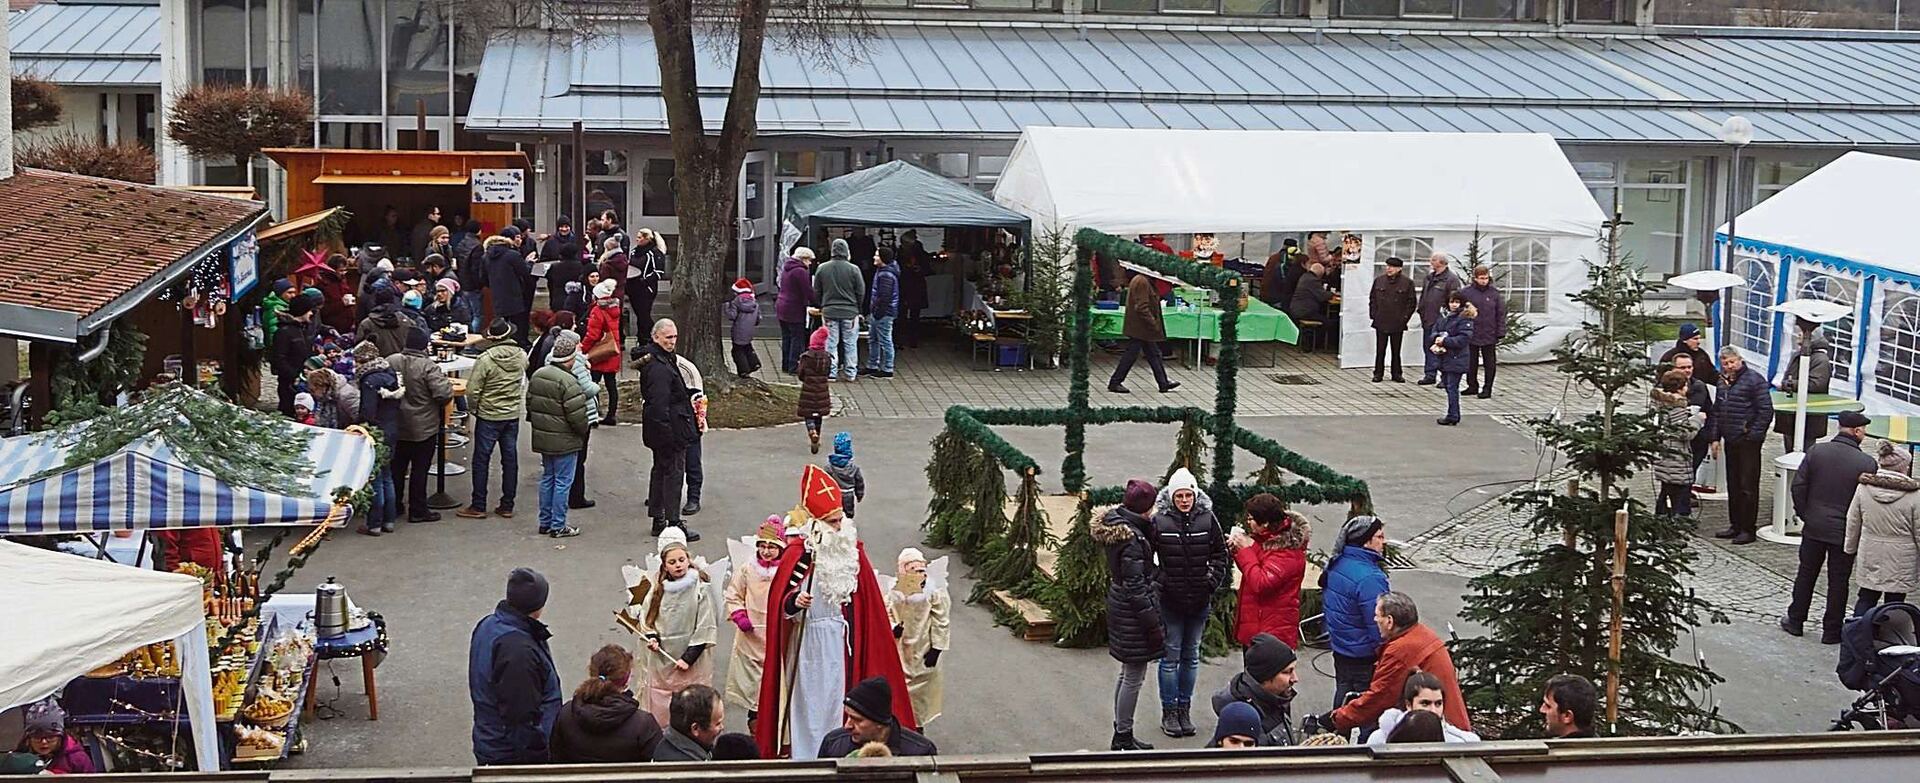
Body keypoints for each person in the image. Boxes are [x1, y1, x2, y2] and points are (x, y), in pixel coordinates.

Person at [754, 465, 916, 759]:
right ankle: (805, 758)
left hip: (842, 647)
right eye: (833, 522)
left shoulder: (852, 552)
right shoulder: (798, 554)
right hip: (807, 646)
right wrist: (793, 603)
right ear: (816, 524)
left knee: (838, 704)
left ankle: (837, 756)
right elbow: (780, 604)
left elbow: (868, 607)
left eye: (840, 519)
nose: (840, 527)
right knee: (808, 706)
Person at [1315, 591, 1471, 737]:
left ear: (1389, 621)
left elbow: (1379, 698)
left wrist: (1337, 718)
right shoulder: (1421, 634)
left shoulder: (1401, 650)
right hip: (1448, 724)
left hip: (1437, 732)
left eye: (1377, 616)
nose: (1375, 620)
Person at [1784, 411, 1877, 644]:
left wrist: (1806, 514)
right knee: (1839, 581)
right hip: (1844, 532)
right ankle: (1831, 631)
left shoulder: (1816, 451)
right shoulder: (1866, 463)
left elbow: (1799, 486)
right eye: (1863, 430)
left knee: (1806, 573)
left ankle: (1795, 621)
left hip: (1814, 526)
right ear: (1856, 431)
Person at [1150, 467, 1230, 738]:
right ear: (1172, 497)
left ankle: (1184, 708)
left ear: (1195, 495)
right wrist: (1162, 582)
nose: (1184, 500)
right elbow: (1148, 559)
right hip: (1170, 601)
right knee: (1170, 656)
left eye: (1188, 495)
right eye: (1179, 495)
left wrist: (1209, 582)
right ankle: (1169, 711)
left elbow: (1220, 555)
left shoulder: (1208, 519)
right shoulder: (1159, 521)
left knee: (1192, 656)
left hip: (1198, 600)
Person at [1093, 479, 1164, 751]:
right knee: (1134, 675)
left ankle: (1122, 730)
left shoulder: (1122, 527)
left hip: (1121, 605)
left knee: (1127, 673)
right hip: (1132, 612)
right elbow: (1136, 587)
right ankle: (1123, 735)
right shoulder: (1133, 539)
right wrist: (1153, 626)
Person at [627, 527, 720, 726]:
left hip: (690, 659)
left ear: (688, 559)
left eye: (681, 560)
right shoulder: (655, 587)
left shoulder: (699, 589)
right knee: (662, 702)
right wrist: (652, 637)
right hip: (663, 658)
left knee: (692, 701)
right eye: (672, 562)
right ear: (664, 565)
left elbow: (705, 625)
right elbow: (647, 618)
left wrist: (688, 657)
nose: (678, 565)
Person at [469, 568, 562, 765]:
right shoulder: (518, 650)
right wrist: (538, 760)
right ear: (538, 604)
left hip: (491, 740)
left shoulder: (489, 624)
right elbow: (521, 716)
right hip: (510, 754)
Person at [635, 318, 701, 539]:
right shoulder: (658, 367)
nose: (673, 341)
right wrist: (668, 436)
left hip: (666, 427)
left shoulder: (660, 359)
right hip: (669, 429)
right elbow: (658, 405)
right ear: (656, 337)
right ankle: (672, 523)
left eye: (674, 337)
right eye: (668, 338)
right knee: (672, 475)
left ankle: (659, 518)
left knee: (661, 472)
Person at [548, 645, 663, 763]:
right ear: (626, 679)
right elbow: (660, 764)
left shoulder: (567, 713)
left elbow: (556, 756)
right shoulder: (643, 723)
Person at [458, 319, 525, 521]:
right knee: (510, 460)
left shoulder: (486, 359)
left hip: (489, 415)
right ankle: (507, 505)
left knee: (481, 460)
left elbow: (472, 390)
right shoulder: (521, 355)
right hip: (511, 414)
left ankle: (479, 505)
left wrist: (474, 409)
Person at [1321, 515, 1390, 710]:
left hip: (1341, 647)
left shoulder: (1338, 563)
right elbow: (1378, 623)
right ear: (1366, 541)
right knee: (1366, 706)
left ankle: (1337, 735)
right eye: (1380, 536)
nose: (1383, 541)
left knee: (1343, 694)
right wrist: (1384, 652)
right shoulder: (1370, 578)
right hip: (1364, 654)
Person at [724, 516, 785, 733]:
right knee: (755, 695)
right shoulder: (747, 570)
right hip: (751, 640)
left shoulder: (786, 572)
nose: (767, 551)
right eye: (763, 546)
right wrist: (740, 616)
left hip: (778, 640)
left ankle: (775, 734)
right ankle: (755, 732)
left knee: (777, 692)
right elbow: (733, 595)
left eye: (772, 547)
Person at [1845, 442, 1919, 615]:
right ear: (1902, 467)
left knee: (1866, 596)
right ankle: (1888, 637)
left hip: (1870, 550)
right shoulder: (1915, 494)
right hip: (1902, 556)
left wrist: (1850, 548)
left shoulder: (1864, 488)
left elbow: (1853, 520)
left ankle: (1857, 635)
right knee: (1895, 601)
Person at [527, 331, 589, 538]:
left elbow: (530, 404)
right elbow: (578, 417)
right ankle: (558, 525)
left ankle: (544, 521)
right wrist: (582, 433)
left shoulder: (538, 375)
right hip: (565, 440)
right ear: (570, 358)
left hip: (543, 437)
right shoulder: (569, 382)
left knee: (548, 479)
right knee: (563, 482)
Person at [388, 328, 452, 524]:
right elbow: (443, 394)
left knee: (396, 469)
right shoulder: (428, 367)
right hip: (423, 427)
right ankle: (417, 510)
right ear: (424, 345)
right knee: (419, 470)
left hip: (397, 424)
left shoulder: (391, 361)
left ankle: (395, 505)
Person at [1232, 494, 1310, 648]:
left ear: (1265, 523)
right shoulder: (1266, 539)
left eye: (1251, 519)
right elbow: (1253, 570)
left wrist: (1246, 551)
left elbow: (1261, 583)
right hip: (1258, 627)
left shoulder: (1287, 551)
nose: (1248, 523)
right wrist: (1237, 551)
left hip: (1273, 634)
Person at [1718, 346, 1776, 544]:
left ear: (1740, 360)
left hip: (1748, 441)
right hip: (1731, 438)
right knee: (1733, 484)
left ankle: (1748, 528)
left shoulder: (1754, 380)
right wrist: (1715, 436)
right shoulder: (1723, 382)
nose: (1729, 366)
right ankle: (1735, 524)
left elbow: (1766, 410)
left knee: (1747, 485)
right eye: (1725, 363)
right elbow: (1719, 410)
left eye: (1732, 362)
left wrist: (1753, 435)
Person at [886, 548, 950, 726]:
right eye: (914, 569)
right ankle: (898, 724)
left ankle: (917, 727)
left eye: (922, 569)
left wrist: (936, 648)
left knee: (919, 697)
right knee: (897, 690)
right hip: (899, 648)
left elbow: (941, 620)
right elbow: (887, 610)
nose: (919, 573)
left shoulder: (934, 591)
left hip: (922, 648)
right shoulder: (894, 589)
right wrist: (892, 628)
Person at [1207, 632, 1299, 746]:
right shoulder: (1243, 716)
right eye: (1287, 672)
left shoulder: (1277, 698)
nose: (1295, 679)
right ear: (1265, 677)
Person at [817, 677, 937, 758]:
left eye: (857, 720)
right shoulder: (833, 743)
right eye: (848, 716)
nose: (847, 726)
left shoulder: (921, 751)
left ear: (880, 722)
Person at [354, 341, 404, 535]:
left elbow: (367, 411)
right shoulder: (390, 375)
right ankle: (389, 521)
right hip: (392, 428)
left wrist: (359, 427)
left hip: (376, 431)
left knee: (374, 477)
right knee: (387, 476)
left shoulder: (369, 381)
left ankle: (374, 523)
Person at [1109, 270, 1179, 394]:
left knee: (1154, 354)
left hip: (1141, 327)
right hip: (1141, 327)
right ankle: (1115, 382)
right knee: (1132, 355)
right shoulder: (1142, 281)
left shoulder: (1143, 280)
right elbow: (1142, 307)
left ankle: (1163, 382)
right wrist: (1153, 323)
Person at [1365, 671, 1481, 745]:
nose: (1433, 711)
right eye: (1425, 704)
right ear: (1408, 705)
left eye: (1438, 704)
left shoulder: (1459, 742)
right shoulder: (1378, 739)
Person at [1651, 370, 1706, 518]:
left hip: (1664, 457)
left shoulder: (1659, 402)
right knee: (1679, 499)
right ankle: (1676, 530)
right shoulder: (1677, 406)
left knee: (1666, 493)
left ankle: (1662, 523)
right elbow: (1684, 433)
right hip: (1677, 459)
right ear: (1682, 387)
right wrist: (1697, 420)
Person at [1776, 318, 1835, 452]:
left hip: (1808, 415)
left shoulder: (1820, 360)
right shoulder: (1800, 354)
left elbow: (1815, 384)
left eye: (1801, 332)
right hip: (1793, 412)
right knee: (1790, 449)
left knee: (1804, 452)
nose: (1798, 334)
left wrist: (1788, 385)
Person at [813, 238, 865, 382]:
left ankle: (831, 372)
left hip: (829, 311)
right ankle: (850, 372)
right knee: (850, 343)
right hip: (850, 311)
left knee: (830, 342)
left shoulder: (822, 268)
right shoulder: (854, 269)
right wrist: (859, 308)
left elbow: (816, 290)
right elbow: (860, 291)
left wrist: (821, 305)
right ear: (847, 251)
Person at [1670, 351, 1720, 486]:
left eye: (1689, 367)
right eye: (1682, 367)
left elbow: (1711, 412)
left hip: (1699, 440)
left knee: (1691, 474)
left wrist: (1712, 437)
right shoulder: (1666, 389)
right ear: (1674, 369)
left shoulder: (1700, 386)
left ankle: (1687, 493)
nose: (1687, 370)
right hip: (1677, 442)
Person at [1415, 252, 1463, 386]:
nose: (1431, 261)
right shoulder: (1429, 277)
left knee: (1442, 348)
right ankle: (1430, 374)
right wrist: (1421, 310)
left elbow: (1454, 299)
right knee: (1429, 347)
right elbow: (1424, 295)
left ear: (1441, 262)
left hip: (1442, 320)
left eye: (1433, 259)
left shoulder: (1451, 279)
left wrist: (1449, 316)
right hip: (1427, 318)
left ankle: (1445, 377)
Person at [1459, 265, 1505, 398]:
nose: (1484, 281)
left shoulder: (1494, 293)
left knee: (1489, 362)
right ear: (1475, 278)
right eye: (1481, 278)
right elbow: (1460, 310)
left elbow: (1500, 313)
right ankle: (1472, 385)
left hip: (1489, 332)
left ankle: (1487, 387)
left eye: (1486, 278)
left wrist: (1500, 330)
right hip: (1472, 331)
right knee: (1470, 361)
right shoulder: (1466, 293)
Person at [1369, 257, 1417, 383]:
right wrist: (1374, 314)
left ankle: (1396, 373)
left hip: (1397, 321)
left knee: (1396, 350)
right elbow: (1372, 299)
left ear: (1399, 269)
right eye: (1387, 266)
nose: (1388, 269)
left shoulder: (1407, 283)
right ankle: (1378, 373)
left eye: (1392, 267)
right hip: (1381, 319)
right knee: (1380, 349)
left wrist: (1404, 318)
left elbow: (1411, 303)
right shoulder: (1379, 281)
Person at [1430, 293, 1475, 426]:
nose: (1454, 304)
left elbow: (1464, 339)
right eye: (1451, 302)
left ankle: (1453, 415)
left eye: (1457, 302)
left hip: (1457, 357)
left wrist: (1445, 341)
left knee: (1452, 387)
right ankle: (1452, 414)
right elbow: (1434, 331)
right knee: (1449, 386)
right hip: (1445, 357)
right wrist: (1437, 337)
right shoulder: (1445, 316)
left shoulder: (1464, 318)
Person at [13, 700, 93, 774]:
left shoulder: (77, 759)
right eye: (37, 737)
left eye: (50, 737)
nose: (44, 742)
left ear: (60, 737)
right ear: (29, 738)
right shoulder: (18, 757)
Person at [485, 227, 535, 346]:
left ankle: (502, 346)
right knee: (517, 327)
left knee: (502, 325)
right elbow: (525, 274)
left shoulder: (487, 256)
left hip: (498, 296)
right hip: (515, 296)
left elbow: (483, 277)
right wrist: (529, 263)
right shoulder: (513, 255)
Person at [584, 279, 623, 427]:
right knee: (611, 384)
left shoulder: (597, 310)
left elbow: (593, 335)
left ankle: (593, 415)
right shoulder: (614, 308)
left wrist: (583, 348)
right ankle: (611, 415)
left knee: (592, 384)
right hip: (612, 350)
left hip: (600, 352)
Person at [271, 294, 317, 417]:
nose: (311, 314)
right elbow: (278, 359)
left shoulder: (304, 328)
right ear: (302, 311)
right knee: (289, 412)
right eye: (309, 310)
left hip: (304, 379)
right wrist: (295, 375)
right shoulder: (284, 332)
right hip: (290, 383)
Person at [673, 353, 707, 517]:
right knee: (664, 461)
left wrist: (699, 424)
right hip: (668, 421)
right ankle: (662, 494)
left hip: (688, 422)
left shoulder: (686, 369)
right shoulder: (653, 366)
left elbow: (699, 400)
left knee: (692, 461)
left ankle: (694, 497)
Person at [655, 684, 724, 762]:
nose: (722, 727)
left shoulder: (670, 742)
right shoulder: (687, 769)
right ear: (695, 728)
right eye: (718, 724)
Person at [863, 247, 900, 378]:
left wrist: (878, 312)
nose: (874, 257)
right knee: (873, 339)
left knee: (885, 340)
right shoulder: (882, 271)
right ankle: (872, 365)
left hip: (883, 313)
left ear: (883, 258)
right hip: (879, 312)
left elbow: (885, 297)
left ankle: (887, 369)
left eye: (877, 255)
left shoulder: (886, 275)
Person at [776, 248, 815, 373]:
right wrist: (818, 303)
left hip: (782, 306)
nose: (810, 263)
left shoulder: (787, 268)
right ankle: (793, 366)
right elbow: (807, 290)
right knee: (796, 338)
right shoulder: (800, 271)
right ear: (803, 259)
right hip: (794, 308)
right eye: (809, 260)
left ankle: (785, 364)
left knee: (786, 337)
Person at [797, 326, 833, 454]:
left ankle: (811, 431)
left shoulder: (806, 358)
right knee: (819, 415)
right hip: (822, 390)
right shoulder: (827, 358)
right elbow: (828, 372)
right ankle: (817, 433)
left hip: (808, 390)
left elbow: (800, 373)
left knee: (809, 414)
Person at [629, 228, 666, 339]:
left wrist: (644, 281)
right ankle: (643, 337)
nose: (637, 239)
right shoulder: (634, 251)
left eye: (640, 237)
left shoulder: (654, 253)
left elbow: (658, 272)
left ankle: (648, 337)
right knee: (639, 314)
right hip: (633, 288)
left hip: (646, 289)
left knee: (644, 314)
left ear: (647, 239)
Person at [357, 290, 417, 358]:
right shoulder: (408, 321)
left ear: (375, 301)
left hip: (377, 365)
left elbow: (359, 350)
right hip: (403, 364)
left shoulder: (367, 324)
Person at [724, 277, 763, 378]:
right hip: (749, 331)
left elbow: (732, 316)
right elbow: (758, 318)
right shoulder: (754, 302)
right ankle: (754, 363)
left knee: (737, 351)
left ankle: (743, 370)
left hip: (738, 330)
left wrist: (727, 307)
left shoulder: (736, 302)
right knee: (747, 347)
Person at [1540, 674, 1598, 738]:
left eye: (1548, 706)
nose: (1542, 710)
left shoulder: (1562, 747)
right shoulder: (1599, 746)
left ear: (1567, 716)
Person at [1659, 323, 1716, 388]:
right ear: (1684, 340)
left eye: (1699, 338)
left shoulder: (1701, 355)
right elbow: (1661, 381)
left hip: (1698, 393)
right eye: (1695, 339)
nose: (1698, 342)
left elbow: (1712, 375)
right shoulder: (1669, 357)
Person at [825, 432, 865, 519]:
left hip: (834, 494)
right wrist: (859, 494)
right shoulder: (854, 468)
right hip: (848, 494)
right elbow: (859, 482)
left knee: (835, 512)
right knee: (848, 513)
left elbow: (824, 480)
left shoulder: (829, 467)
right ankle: (848, 526)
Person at [899, 245, 929, 349]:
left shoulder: (911, 268)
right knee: (906, 317)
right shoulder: (906, 266)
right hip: (909, 293)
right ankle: (905, 340)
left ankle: (911, 340)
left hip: (913, 293)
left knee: (912, 317)